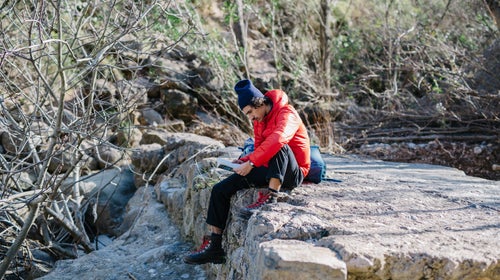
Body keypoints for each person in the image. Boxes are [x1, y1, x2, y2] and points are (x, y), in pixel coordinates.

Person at [183, 79, 311, 265]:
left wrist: (251, 162)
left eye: (251, 112)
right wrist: (242, 161)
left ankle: (271, 195)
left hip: (294, 172)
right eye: (247, 114)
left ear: (260, 103)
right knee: (220, 190)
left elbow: (278, 139)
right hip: (271, 167)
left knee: (278, 144)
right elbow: (259, 147)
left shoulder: (287, 112)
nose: (250, 118)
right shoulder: (260, 121)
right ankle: (215, 247)